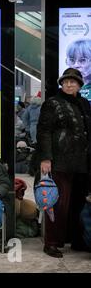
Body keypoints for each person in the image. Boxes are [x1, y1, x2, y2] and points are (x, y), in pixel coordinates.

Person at [36, 68, 91, 258]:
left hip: (83, 163)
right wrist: (45, 158)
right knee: (57, 203)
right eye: (66, 82)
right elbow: (44, 131)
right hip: (60, 162)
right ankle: (51, 243)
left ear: (79, 85)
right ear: (61, 84)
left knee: (78, 204)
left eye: (73, 82)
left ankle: (77, 240)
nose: (69, 85)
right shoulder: (52, 103)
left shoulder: (84, 103)